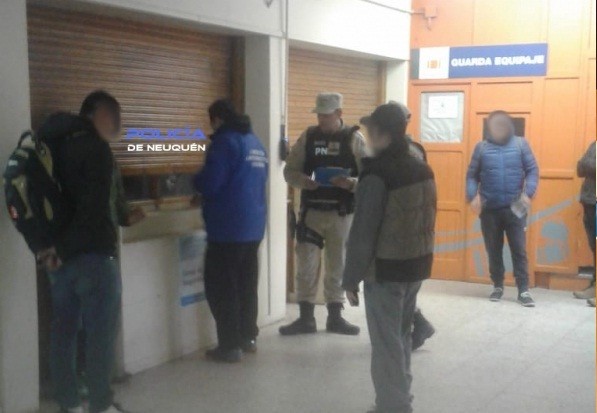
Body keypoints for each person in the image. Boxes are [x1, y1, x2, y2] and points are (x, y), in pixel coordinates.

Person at [342, 103, 437, 413]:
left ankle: (393, 405)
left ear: (382, 134)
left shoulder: (377, 174)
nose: (367, 136)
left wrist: (350, 278)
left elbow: (363, 232)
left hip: (386, 270)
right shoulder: (422, 168)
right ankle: (400, 398)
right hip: (416, 265)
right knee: (401, 336)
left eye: (370, 131)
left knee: (386, 343)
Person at [40, 91, 127, 413]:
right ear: (95, 115)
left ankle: (69, 403)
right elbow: (93, 210)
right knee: (99, 335)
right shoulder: (97, 149)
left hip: (56, 258)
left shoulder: (51, 146)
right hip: (93, 255)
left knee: (63, 333)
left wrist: (57, 249)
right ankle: (101, 405)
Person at [280, 92, 367, 336]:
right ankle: (306, 318)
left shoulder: (354, 138)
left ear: (339, 113)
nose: (321, 119)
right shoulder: (308, 137)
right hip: (312, 212)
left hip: (342, 213)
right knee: (305, 265)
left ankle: (335, 317)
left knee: (337, 264)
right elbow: (289, 171)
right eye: (318, 114)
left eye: (326, 115)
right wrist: (303, 181)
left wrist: (350, 183)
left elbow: (370, 177)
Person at [194, 99, 268, 363]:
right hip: (253, 227)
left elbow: (212, 182)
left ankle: (229, 346)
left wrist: (194, 180)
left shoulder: (225, 142)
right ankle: (248, 338)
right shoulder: (255, 143)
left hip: (227, 228)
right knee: (246, 285)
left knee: (222, 288)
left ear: (217, 119)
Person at [466, 110, 539, 307]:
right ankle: (497, 285)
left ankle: (523, 290)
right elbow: (471, 175)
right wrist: (472, 195)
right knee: (493, 249)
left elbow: (532, 170)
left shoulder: (521, 144)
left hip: (517, 207)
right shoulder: (481, 148)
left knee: (519, 249)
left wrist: (528, 193)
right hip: (490, 209)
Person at [389, 101, 436, 351]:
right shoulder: (395, 150)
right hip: (404, 228)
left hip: (405, 229)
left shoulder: (409, 152)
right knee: (399, 290)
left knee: (399, 289)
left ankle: (413, 329)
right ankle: (410, 330)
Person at [573, 141, 596, 306]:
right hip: (590, 201)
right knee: (594, 246)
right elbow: (580, 168)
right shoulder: (595, 144)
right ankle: (595, 285)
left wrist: (589, 164)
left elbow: (586, 164)